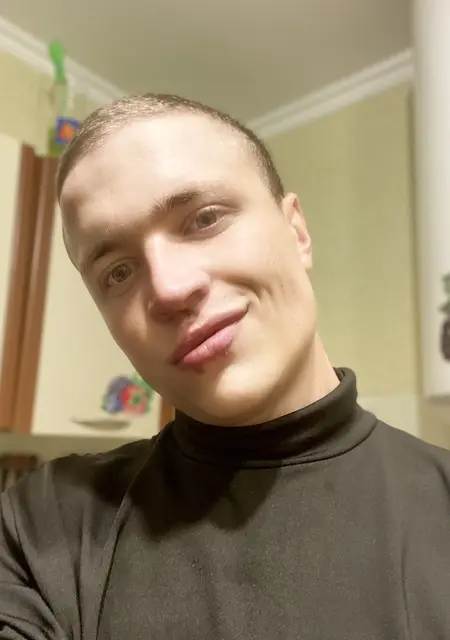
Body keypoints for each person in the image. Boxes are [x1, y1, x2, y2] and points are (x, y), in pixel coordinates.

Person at [1, 93, 450, 640]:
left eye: (204, 219)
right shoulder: (40, 524)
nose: (170, 289)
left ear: (297, 232)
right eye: (118, 271)